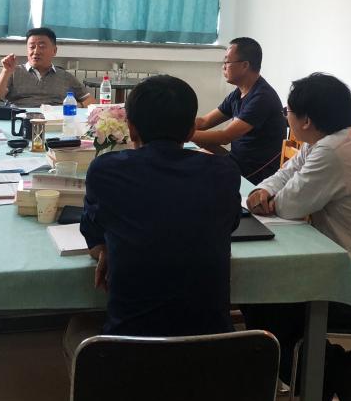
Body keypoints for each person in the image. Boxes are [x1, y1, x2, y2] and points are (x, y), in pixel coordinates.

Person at [242, 73, 351, 401]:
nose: (285, 116)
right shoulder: (326, 143)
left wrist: (271, 199)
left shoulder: (334, 153)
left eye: (288, 111)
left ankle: (327, 375)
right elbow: (285, 175)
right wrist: (263, 190)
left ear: (306, 120)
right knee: (262, 299)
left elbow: (290, 205)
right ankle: (333, 373)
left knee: (264, 299)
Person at [75, 75, 242, 339]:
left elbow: (93, 235)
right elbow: (229, 224)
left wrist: (108, 248)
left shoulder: (105, 170)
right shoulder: (224, 171)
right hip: (212, 349)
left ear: (131, 128)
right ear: (191, 130)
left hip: (128, 347)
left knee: (78, 325)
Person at [191, 37, 285, 184]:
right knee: (194, 153)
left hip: (255, 172)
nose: (223, 67)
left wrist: (182, 134)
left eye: (227, 62)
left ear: (245, 65)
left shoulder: (262, 97)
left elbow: (225, 137)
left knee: (194, 168)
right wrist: (177, 126)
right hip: (236, 160)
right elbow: (204, 122)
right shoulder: (239, 93)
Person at [0, 27, 91, 107]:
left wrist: (78, 105)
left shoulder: (65, 76)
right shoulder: (14, 72)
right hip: (21, 119)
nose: (36, 51)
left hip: (54, 120)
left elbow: (90, 101)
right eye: (32, 47)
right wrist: (6, 71)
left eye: (42, 47)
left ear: (54, 51)